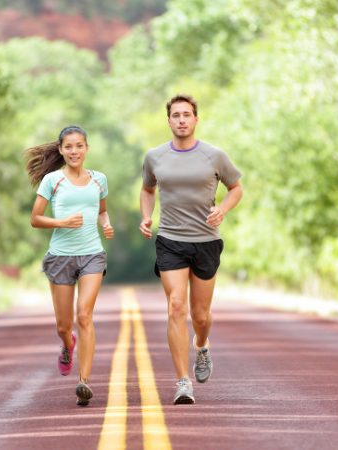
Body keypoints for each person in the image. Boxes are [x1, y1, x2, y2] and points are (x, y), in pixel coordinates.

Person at [139, 94, 243, 405]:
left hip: (206, 241)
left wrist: (223, 209)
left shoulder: (214, 156)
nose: (181, 120)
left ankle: (202, 344)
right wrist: (146, 216)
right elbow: (147, 188)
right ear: (168, 120)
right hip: (170, 240)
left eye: (187, 115)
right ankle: (183, 381)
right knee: (175, 306)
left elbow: (236, 187)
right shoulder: (154, 157)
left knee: (200, 314)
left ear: (196, 119)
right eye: (176, 115)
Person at [26, 125, 114, 407]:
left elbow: (101, 211)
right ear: (61, 150)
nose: (74, 151)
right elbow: (36, 218)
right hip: (60, 256)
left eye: (79, 146)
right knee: (64, 325)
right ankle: (67, 344)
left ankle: (84, 382)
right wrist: (62, 222)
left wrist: (106, 224)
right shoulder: (52, 181)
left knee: (84, 315)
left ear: (87, 148)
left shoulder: (99, 179)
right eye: (69, 147)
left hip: (92, 254)